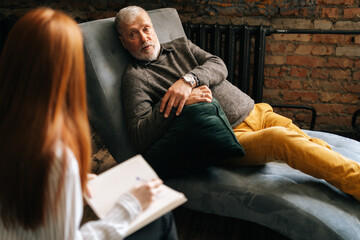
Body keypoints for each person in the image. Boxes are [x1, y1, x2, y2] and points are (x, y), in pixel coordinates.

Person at [115, 5, 360, 202]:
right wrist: (178, 101)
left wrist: (188, 80)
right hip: (232, 136)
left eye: (146, 29)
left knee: (314, 145)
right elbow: (139, 134)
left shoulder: (180, 46)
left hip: (257, 111)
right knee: (282, 140)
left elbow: (218, 65)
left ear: (153, 29)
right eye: (133, 34)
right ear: (124, 41)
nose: (143, 38)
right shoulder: (135, 79)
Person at [0, 7, 178, 240]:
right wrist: (129, 205)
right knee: (160, 217)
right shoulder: (54, 156)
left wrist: (71, 184)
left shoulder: (15, 128)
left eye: (146, 29)